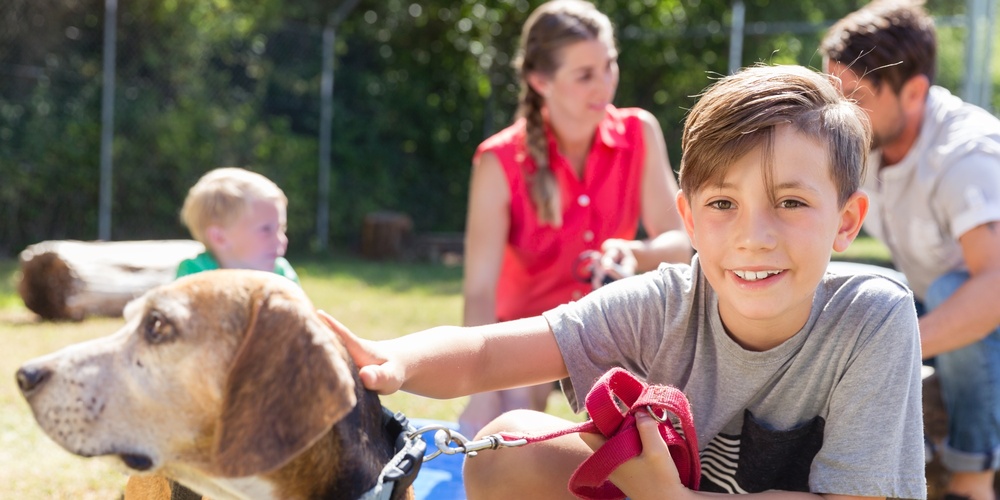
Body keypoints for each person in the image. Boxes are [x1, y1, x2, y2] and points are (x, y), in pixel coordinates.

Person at [320, 64, 926, 498]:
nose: (754, 236)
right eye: (722, 205)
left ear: (846, 222)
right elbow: (486, 355)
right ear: (687, 219)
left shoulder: (872, 315)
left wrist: (666, 497)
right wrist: (391, 359)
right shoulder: (667, 302)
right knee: (508, 446)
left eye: (790, 203)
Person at [459, 0, 692, 436]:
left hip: (606, 325)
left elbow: (678, 243)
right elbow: (479, 291)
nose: (604, 85)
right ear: (540, 81)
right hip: (525, 333)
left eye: (609, 65)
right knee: (510, 431)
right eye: (585, 75)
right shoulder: (499, 160)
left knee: (642, 438)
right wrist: (481, 389)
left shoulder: (639, 131)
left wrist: (634, 251)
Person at [821, 2, 1000, 499]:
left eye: (856, 95)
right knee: (854, 290)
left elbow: (993, 289)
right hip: (939, 306)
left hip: (984, 310)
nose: (841, 110)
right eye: (833, 91)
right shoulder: (866, 137)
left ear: (915, 91)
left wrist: (889, 347)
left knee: (950, 289)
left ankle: (974, 476)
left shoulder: (966, 155)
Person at [176, 166, 299, 283]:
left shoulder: (281, 273)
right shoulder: (194, 275)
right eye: (266, 229)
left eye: (282, 228)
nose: (281, 240)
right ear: (219, 237)